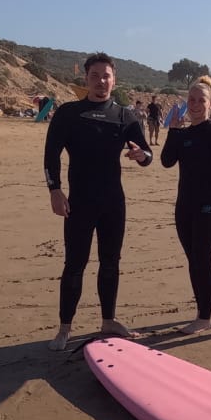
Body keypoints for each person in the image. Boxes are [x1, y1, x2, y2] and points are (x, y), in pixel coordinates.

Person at [43, 53, 153, 351]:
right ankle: (64, 327)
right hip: (78, 202)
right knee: (74, 264)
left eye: (106, 76)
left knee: (110, 262)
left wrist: (141, 155)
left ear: (114, 80)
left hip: (113, 203)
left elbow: (147, 154)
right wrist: (55, 190)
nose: (101, 81)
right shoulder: (69, 113)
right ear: (86, 78)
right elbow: (51, 154)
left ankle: (108, 320)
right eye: (95, 75)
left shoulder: (125, 116)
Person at [161, 76, 211, 333]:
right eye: (191, 100)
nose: (195, 104)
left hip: (209, 205)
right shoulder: (183, 134)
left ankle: (204, 317)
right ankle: (201, 311)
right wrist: (173, 131)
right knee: (194, 260)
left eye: (201, 100)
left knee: (202, 259)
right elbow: (167, 161)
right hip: (185, 205)